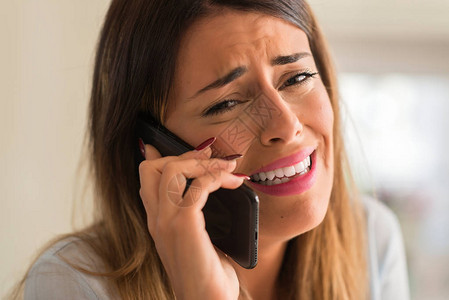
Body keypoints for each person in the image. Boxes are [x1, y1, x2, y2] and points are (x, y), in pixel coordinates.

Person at [13, 0, 409, 299]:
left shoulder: (372, 238)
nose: (286, 126)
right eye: (227, 104)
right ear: (152, 148)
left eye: (298, 77)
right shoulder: (71, 283)